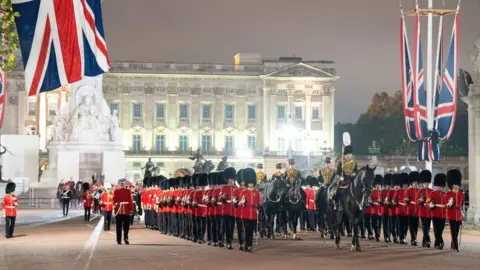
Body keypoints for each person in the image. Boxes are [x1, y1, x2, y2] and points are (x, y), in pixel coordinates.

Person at [239, 168, 261, 253]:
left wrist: (258, 209)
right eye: (250, 183)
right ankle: (246, 244)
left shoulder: (257, 192)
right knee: (246, 231)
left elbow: (259, 203)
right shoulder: (243, 192)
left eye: (252, 183)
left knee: (251, 231)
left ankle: (249, 245)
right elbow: (241, 203)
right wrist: (242, 201)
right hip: (245, 213)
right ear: (247, 183)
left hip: (254, 214)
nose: (251, 184)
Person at [445, 169, 464, 252]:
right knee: (453, 233)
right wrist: (450, 204)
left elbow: (462, 205)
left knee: (456, 232)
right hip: (451, 215)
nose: (456, 186)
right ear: (451, 185)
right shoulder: (448, 194)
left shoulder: (461, 194)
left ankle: (453, 244)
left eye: (457, 184)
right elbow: (447, 206)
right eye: (455, 184)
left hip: (458, 216)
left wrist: (461, 212)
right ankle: (456, 247)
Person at [428, 173, 447, 250]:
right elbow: (427, 201)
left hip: (443, 214)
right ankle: (440, 242)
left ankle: (437, 243)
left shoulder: (445, 194)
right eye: (439, 186)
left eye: (441, 186)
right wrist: (430, 204)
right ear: (436, 186)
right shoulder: (432, 193)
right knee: (437, 230)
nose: (440, 188)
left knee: (440, 230)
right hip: (435, 214)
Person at [113, 178, 134, 245]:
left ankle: (125, 238)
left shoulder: (128, 191)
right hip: (119, 210)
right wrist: (114, 207)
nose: (122, 185)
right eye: (121, 184)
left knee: (126, 226)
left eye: (123, 184)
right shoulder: (116, 191)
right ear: (119, 184)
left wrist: (131, 209)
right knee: (118, 226)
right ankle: (119, 240)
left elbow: (130, 200)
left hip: (126, 210)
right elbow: (113, 200)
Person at [220, 167, 237, 250]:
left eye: (232, 179)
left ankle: (230, 240)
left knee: (232, 227)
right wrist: (223, 197)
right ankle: (228, 242)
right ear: (227, 179)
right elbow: (220, 198)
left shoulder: (236, 188)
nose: (231, 180)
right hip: (226, 210)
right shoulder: (224, 188)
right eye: (230, 179)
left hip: (233, 210)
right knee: (227, 227)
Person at [418, 170, 433, 248]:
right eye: (425, 183)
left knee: (427, 227)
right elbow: (418, 202)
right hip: (423, 211)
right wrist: (421, 201)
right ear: (422, 183)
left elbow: (432, 200)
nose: (426, 184)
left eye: (427, 183)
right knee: (424, 227)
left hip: (429, 212)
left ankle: (425, 241)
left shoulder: (431, 191)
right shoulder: (420, 191)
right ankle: (427, 239)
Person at [407, 171, 420, 246]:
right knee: (411, 225)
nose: (415, 184)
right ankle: (413, 238)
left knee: (416, 225)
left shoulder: (419, 190)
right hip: (410, 209)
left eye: (416, 183)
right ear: (412, 184)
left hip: (417, 210)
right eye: (414, 183)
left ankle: (414, 238)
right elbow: (407, 199)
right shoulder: (409, 190)